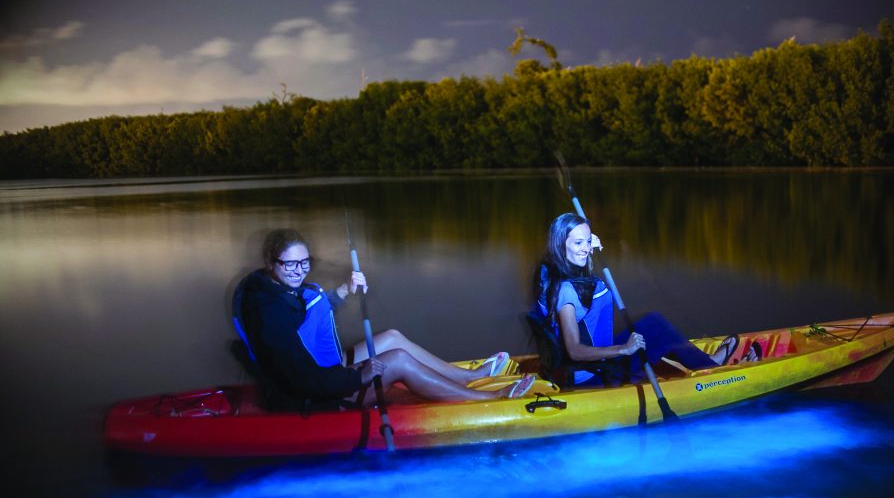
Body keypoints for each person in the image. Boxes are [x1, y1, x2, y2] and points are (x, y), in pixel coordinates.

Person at [236, 228, 535, 409]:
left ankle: (470, 378)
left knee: (391, 337)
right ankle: (491, 401)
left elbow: (309, 319)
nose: (299, 270)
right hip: (314, 397)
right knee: (398, 361)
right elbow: (303, 377)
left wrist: (344, 291)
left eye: (304, 262)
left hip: (326, 370)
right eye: (290, 263)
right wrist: (359, 375)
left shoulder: (277, 289)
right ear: (269, 262)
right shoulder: (268, 313)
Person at [533, 213, 757, 387]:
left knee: (652, 324)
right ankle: (714, 371)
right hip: (593, 375)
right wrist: (624, 349)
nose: (585, 248)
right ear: (561, 246)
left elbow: (571, 257)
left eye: (587, 241)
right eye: (577, 243)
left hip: (592, 362)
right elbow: (574, 351)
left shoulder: (552, 273)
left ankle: (708, 362)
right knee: (657, 329)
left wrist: (586, 245)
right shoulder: (566, 291)